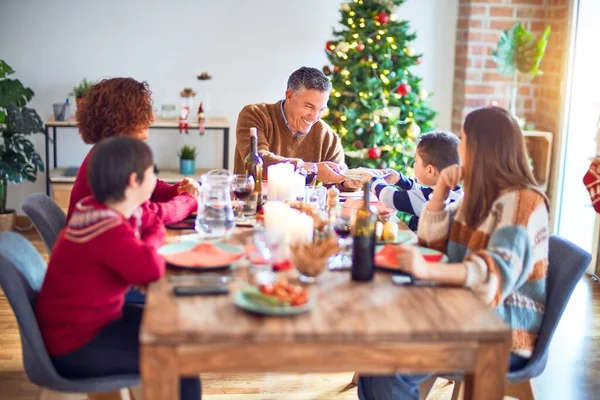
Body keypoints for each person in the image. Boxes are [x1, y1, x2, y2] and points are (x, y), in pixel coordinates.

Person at [358, 106, 549, 400]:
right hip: (458, 311)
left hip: (498, 330)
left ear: (482, 148)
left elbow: (492, 275)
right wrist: (440, 193)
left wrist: (428, 271)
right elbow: (433, 246)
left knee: (391, 370)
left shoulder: (523, 201)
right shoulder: (478, 194)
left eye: (463, 140)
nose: (459, 149)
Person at [35, 137, 201, 400]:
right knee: (182, 360)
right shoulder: (108, 230)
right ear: (135, 181)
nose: (156, 179)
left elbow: (146, 227)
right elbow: (152, 269)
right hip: (77, 345)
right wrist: (157, 231)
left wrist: (151, 232)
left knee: (171, 330)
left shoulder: (95, 209)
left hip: (84, 325)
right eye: (152, 172)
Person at [67, 77, 199, 225]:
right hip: (97, 244)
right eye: (144, 110)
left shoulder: (110, 151)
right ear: (123, 117)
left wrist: (176, 191)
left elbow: (143, 186)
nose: (151, 117)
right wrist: (188, 200)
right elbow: (150, 215)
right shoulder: (114, 160)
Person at [233, 66, 360, 190]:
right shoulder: (254, 114)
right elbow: (257, 161)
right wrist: (310, 169)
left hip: (301, 210)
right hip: (251, 206)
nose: (315, 117)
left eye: (321, 109)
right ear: (289, 96)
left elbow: (337, 183)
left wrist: (346, 183)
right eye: (309, 107)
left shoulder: (327, 135)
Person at [360, 131, 463, 231]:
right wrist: (400, 180)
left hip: (423, 247)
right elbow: (421, 192)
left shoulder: (430, 200)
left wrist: (373, 180)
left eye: (416, 161)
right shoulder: (455, 192)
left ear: (430, 170)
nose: (414, 165)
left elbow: (389, 197)